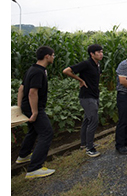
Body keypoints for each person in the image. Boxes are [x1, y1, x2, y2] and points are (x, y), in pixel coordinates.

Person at [16, 46, 56, 179]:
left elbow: (21, 88)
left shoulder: (32, 69)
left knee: (33, 131)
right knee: (47, 133)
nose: (53, 57)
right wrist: (34, 112)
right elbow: (32, 92)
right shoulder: (38, 72)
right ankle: (35, 168)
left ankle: (23, 156)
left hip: (28, 106)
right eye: (53, 55)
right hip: (34, 107)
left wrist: (20, 107)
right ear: (47, 56)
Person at [63, 44, 104, 158]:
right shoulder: (86, 63)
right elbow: (66, 71)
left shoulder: (97, 64)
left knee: (87, 120)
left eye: (101, 51)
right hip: (87, 97)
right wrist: (80, 79)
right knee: (93, 121)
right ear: (92, 54)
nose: (101, 54)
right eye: (99, 52)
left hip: (94, 95)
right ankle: (90, 149)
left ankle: (84, 144)